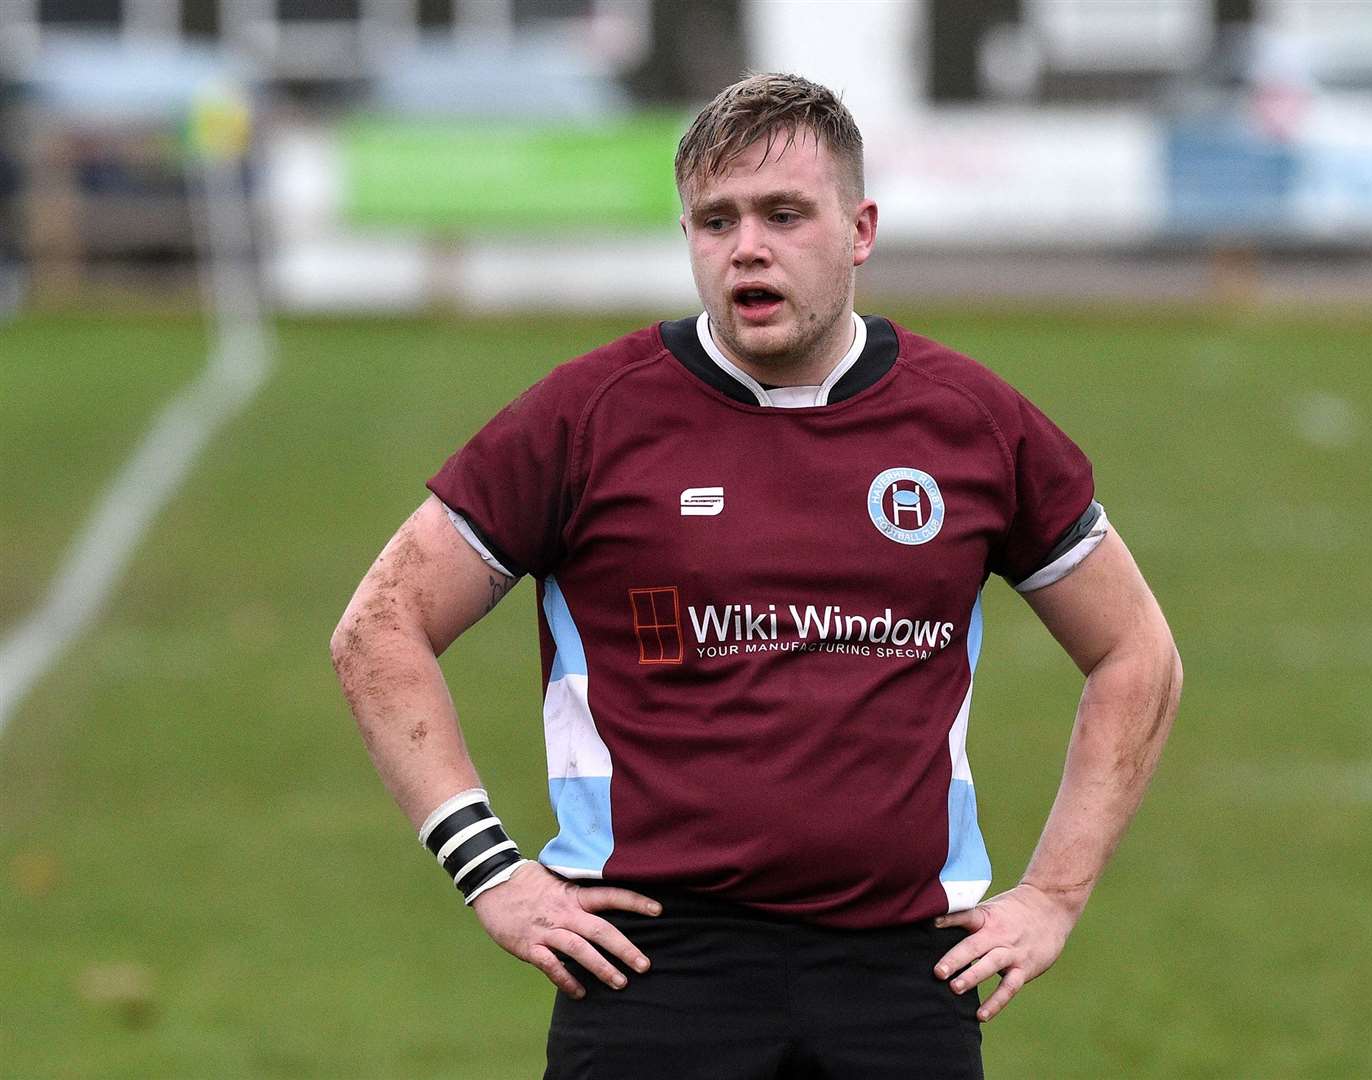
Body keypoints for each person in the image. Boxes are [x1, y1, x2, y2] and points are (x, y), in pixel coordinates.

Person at [331, 72, 1181, 1079]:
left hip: (904, 976)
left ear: (859, 229)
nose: (748, 248)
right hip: (652, 966)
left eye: (785, 215)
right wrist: (492, 875)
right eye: (715, 220)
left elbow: (1136, 651)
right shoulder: (588, 418)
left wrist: (1053, 894)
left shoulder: (972, 424)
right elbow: (379, 627)